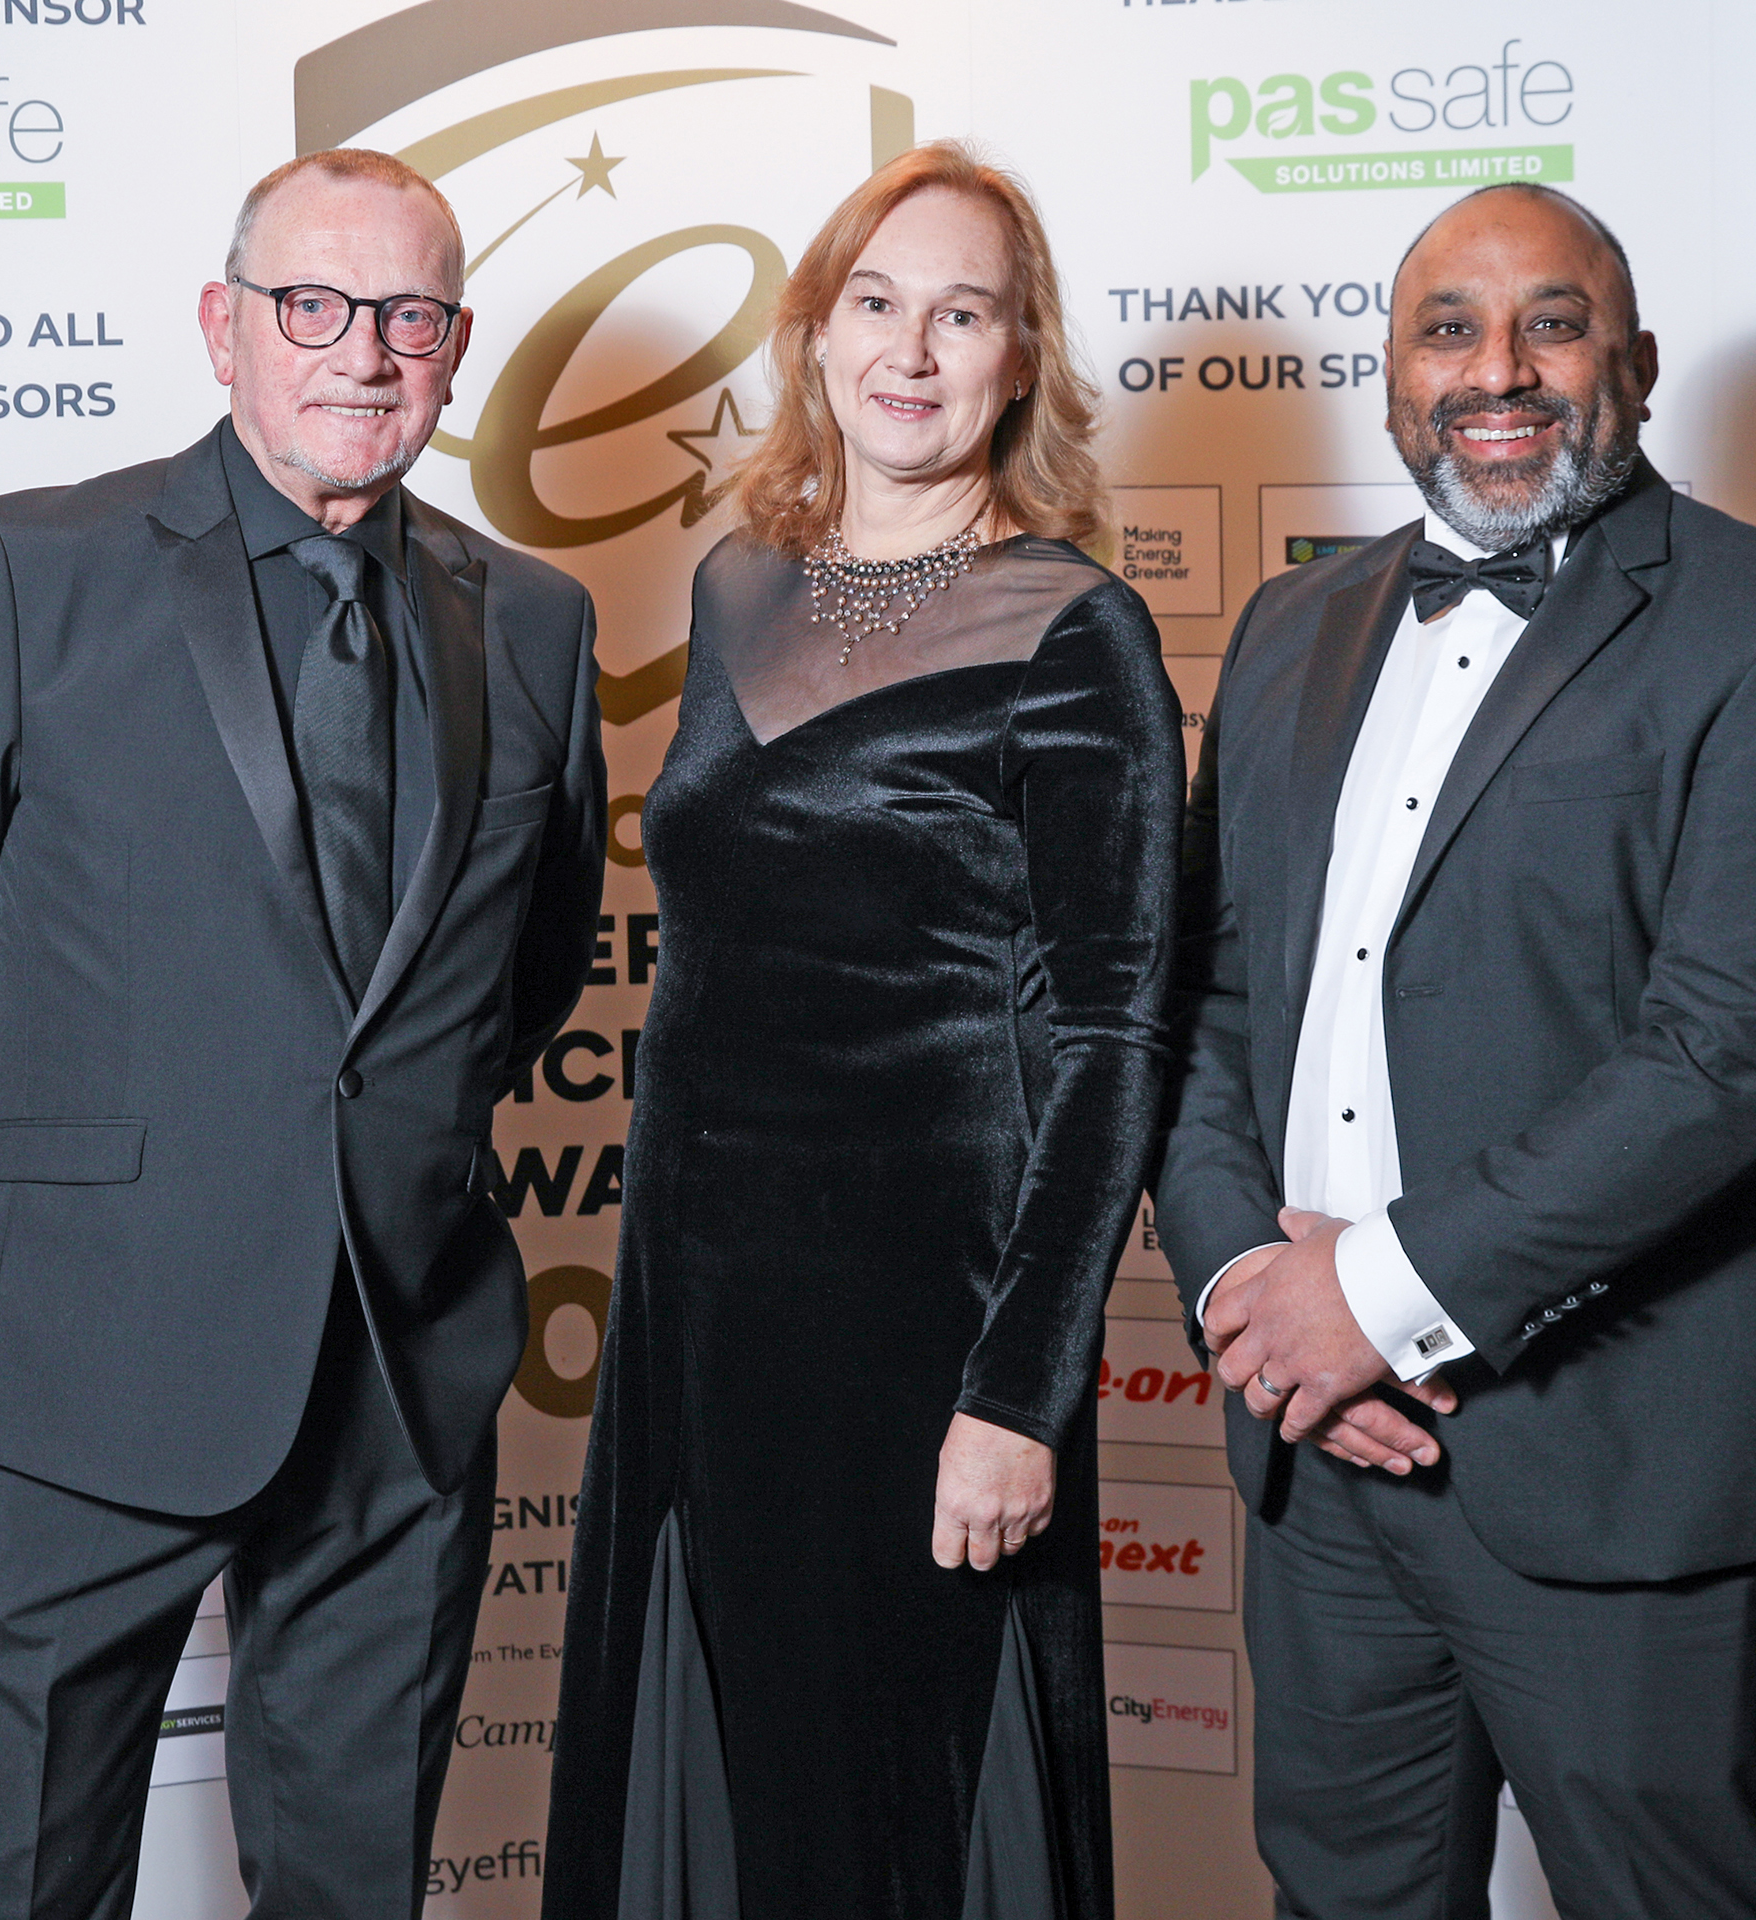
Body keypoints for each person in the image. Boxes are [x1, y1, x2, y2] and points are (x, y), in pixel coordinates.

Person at [0, 148, 605, 1920]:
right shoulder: (37, 567)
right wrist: (32, 1182)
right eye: (311, 304)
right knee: (24, 1883)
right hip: (74, 1359)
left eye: (408, 315)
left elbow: (526, 969)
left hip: (398, 1373)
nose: (360, 352)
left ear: (457, 346)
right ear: (220, 326)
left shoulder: (535, 621)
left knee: (359, 1886)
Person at [1155, 181, 1756, 1919]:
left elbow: (1733, 1054)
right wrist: (1255, 1299)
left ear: (1633, 362)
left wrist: (1375, 1295)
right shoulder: (1288, 630)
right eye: (1449, 330)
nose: (1497, 369)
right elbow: (1208, 1004)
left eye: (1550, 325)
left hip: (1633, 1449)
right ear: (1393, 377)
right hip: (1326, 1455)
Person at [541, 142, 1180, 1920]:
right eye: (876, 302)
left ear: (1020, 359)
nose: (911, 349)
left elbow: (1115, 1038)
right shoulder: (740, 585)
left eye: (962, 314)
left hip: (927, 1325)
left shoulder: (1077, 631)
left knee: (895, 1807)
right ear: (817, 333)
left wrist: (1020, 1393)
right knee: (725, 1782)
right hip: (702, 1311)